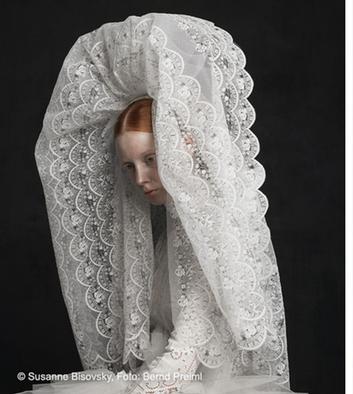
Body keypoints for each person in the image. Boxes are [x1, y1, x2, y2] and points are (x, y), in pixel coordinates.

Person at [31, 13, 294, 394]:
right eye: (129, 165)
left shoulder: (204, 229)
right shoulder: (169, 233)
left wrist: (140, 386)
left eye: (151, 159)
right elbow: (163, 332)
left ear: (180, 144)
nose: (139, 178)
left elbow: (189, 346)